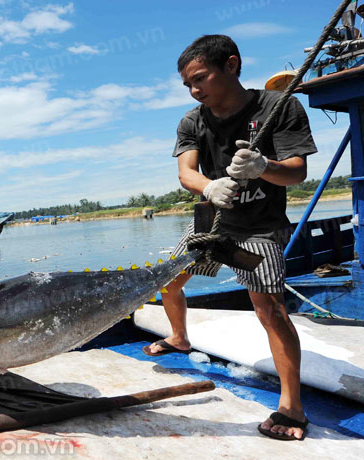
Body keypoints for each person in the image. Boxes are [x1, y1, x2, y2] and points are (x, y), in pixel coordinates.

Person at [143, 35, 316, 441]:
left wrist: (263, 165)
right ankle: (180, 337)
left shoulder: (278, 108)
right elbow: (186, 172)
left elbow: (296, 171)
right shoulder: (193, 120)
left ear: (232, 66)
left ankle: (292, 407)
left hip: (258, 227)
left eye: (200, 78)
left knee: (269, 308)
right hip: (212, 223)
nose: (194, 89)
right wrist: (208, 187)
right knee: (168, 281)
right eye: (188, 84)